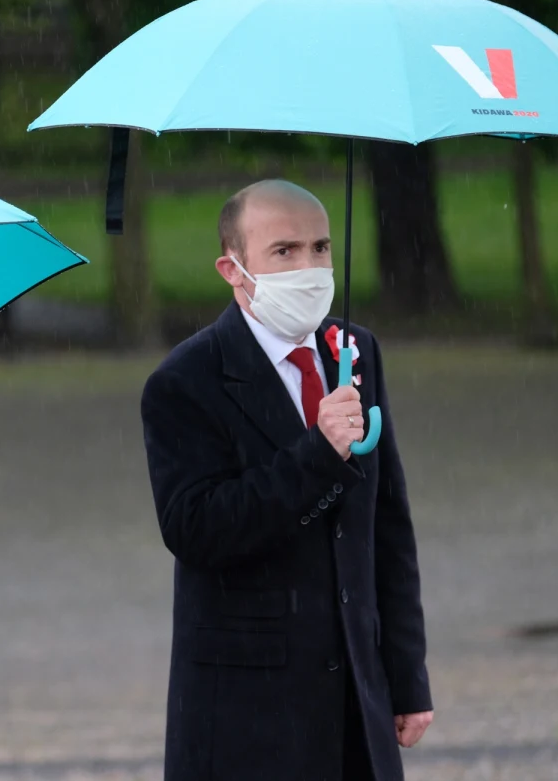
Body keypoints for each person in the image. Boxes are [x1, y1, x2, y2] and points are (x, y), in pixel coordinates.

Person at [140, 180, 433, 781]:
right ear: (232, 268)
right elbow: (197, 529)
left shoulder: (355, 352)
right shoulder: (185, 381)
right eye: (285, 251)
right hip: (249, 710)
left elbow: (387, 524)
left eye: (321, 248)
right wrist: (318, 454)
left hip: (357, 695)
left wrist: (406, 676)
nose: (309, 267)